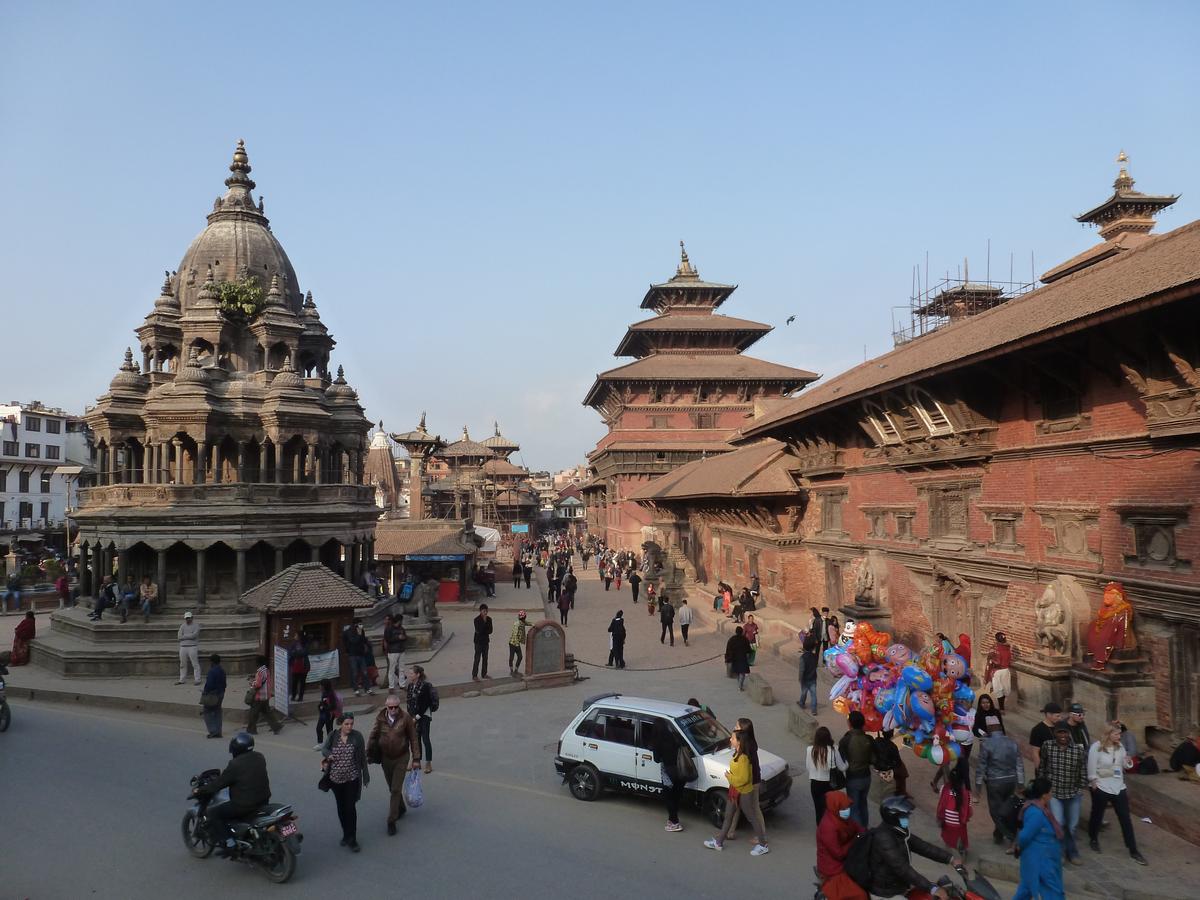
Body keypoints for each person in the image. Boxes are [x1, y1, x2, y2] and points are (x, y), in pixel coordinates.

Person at [859, 795, 960, 899]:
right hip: (886, 892)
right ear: (893, 818)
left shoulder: (899, 831)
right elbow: (903, 869)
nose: (907, 819)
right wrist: (932, 888)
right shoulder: (883, 839)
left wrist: (950, 859)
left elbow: (923, 847)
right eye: (904, 816)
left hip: (899, 883)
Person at [195, 731, 271, 855]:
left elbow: (219, 783)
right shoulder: (259, 757)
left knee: (213, 812)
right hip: (263, 800)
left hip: (244, 805)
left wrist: (201, 790)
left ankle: (229, 843)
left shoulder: (235, 765)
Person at [704, 722, 769, 856]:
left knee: (751, 817)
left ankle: (763, 844)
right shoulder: (737, 754)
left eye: (733, 738)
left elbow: (744, 779)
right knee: (728, 816)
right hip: (734, 791)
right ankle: (719, 842)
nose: (730, 740)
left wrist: (729, 777)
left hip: (743, 792)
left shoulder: (744, 758)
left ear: (739, 742)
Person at [1087, 720, 1147, 865]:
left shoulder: (1120, 747)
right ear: (1108, 734)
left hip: (1118, 785)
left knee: (1125, 818)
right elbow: (1091, 766)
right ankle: (1093, 838)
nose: (1119, 737)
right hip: (1102, 785)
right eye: (1116, 734)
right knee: (1097, 814)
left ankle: (1133, 849)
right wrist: (1093, 781)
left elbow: (1124, 766)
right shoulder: (1096, 748)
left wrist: (1128, 761)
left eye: (1119, 734)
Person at [367, 693, 421, 836]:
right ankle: (401, 808)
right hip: (386, 758)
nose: (393, 710)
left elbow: (413, 738)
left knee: (396, 789)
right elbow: (373, 735)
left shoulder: (406, 718)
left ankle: (391, 820)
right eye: (390, 707)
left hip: (401, 757)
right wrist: (368, 753)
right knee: (392, 788)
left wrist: (416, 758)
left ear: (399, 706)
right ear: (386, 707)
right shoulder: (380, 719)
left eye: (395, 707)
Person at [1038, 722, 1086, 865]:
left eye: (1065, 732)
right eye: (1060, 732)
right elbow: (1043, 766)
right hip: (1055, 793)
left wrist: (1080, 788)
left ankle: (1072, 852)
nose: (1063, 736)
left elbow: (1082, 770)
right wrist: (1044, 787)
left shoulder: (1077, 750)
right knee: (1058, 823)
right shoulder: (1048, 746)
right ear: (1055, 734)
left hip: (1072, 793)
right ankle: (1060, 852)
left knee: (1072, 826)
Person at [321, 712, 369, 852]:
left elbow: (362, 758)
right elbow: (324, 748)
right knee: (341, 808)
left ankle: (352, 839)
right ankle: (345, 834)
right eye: (346, 724)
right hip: (336, 779)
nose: (349, 727)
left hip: (352, 778)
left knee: (350, 808)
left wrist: (365, 775)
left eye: (351, 724)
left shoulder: (357, 737)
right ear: (340, 724)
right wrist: (329, 755)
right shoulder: (333, 736)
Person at [1013, 777, 1066, 900]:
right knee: (1052, 891)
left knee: (1025, 889)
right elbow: (1024, 836)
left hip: (1039, 858)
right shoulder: (1036, 813)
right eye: (1050, 791)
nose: (1051, 794)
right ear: (1044, 795)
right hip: (1042, 861)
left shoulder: (1039, 809)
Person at [976, 721, 1024, 844]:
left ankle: (1011, 836)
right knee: (1006, 808)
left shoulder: (986, 744)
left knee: (996, 812)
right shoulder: (1012, 743)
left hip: (994, 782)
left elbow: (981, 767)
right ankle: (998, 835)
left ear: (989, 729)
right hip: (1011, 780)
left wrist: (978, 788)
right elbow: (1019, 765)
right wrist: (1021, 784)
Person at [816, 790, 867, 900]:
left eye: (847, 807)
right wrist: (856, 839)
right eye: (843, 809)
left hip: (847, 860)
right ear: (836, 808)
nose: (847, 811)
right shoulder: (828, 827)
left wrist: (866, 833)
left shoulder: (842, 818)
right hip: (834, 868)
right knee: (860, 895)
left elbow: (857, 828)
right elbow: (838, 854)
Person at [839, 710, 875, 827]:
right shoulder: (869, 739)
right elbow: (873, 759)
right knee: (863, 804)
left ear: (849, 724)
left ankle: (860, 836)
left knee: (854, 808)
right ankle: (864, 829)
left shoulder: (846, 740)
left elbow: (841, 760)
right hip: (866, 777)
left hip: (853, 778)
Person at [652, 719, 687, 832]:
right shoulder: (674, 735)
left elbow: (656, 760)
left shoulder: (657, 741)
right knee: (676, 796)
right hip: (682, 770)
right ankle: (672, 819)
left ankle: (674, 822)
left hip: (668, 772)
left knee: (669, 797)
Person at [806, 725, 845, 826]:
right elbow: (842, 767)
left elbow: (808, 767)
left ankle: (821, 831)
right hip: (829, 784)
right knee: (829, 810)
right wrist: (848, 763)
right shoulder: (833, 749)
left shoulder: (810, 749)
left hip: (814, 783)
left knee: (818, 810)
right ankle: (830, 830)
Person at [936, 765, 971, 856]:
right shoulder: (966, 793)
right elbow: (969, 811)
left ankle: (948, 850)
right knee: (962, 827)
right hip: (960, 824)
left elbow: (941, 805)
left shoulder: (944, 789)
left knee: (948, 836)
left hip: (947, 823)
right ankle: (962, 849)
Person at [406, 665, 434, 773]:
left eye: (412, 673)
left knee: (425, 739)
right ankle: (416, 760)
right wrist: (410, 716)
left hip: (424, 716)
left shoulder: (425, 686)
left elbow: (425, 704)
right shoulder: (410, 686)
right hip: (413, 717)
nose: (410, 675)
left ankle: (428, 763)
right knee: (415, 740)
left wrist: (416, 717)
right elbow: (409, 702)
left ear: (418, 675)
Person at [246, 654, 283, 735]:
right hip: (266, 695)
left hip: (259, 696)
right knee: (267, 713)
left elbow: (258, 684)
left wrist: (251, 682)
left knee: (253, 713)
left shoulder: (260, 672)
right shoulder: (266, 670)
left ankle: (251, 729)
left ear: (258, 663)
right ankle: (276, 726)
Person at [984, 632, 1014, 710]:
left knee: (998, 690)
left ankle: (1001, 708)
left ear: (996, 639)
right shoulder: (1007, 647)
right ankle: (1002, 707)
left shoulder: (994, 649)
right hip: (1006, 671)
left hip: (997, 672)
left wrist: (987, 673)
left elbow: (990, 660)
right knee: (1004, 689)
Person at [1030, 702, 1064, 771]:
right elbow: (1035, 753)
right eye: (1057, 716)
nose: (1060, 718)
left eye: (1060, 716)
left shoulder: (1060, 727)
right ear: (1048, 715)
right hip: (1046, 768)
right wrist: (1039, 771)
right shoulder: (1037, 730)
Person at [201, 652, 226, 738]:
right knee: (217, 712)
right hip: (221, 693)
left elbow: (210, 685)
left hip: (213, 695)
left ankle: (213, 731)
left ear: (212, 662)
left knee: (207, 712)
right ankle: (218, 731)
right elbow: (224, 684)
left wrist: (205, 692)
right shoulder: (222, 670)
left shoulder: (212, 671)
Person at [344, 623, 373, 697]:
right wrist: (359, 634)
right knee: (355, 673)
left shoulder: (361, 631)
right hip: (353, 655)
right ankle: (356, 689)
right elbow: (354, 641)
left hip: (361, 654)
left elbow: (363, 640)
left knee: (365, 672)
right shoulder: (349, 632)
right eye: (359, 624)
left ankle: (367, 688)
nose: (361, 626)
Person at [314, 678, 342, 749]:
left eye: (320, 685)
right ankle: (320, 743)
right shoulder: (323, 693)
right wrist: (320, 706)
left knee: (329, 730)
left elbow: (333, 705)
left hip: (329, 714)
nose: (319, 686)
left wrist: (324, 707)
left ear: (324, 686)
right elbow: (323, 702)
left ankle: (332, 744)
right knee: (318, 728)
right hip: (323, 714)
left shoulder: (331, 694)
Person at [383, 614, 407, 690]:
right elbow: (388, 639)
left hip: (401, 650)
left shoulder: (401, 628)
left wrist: (404, 637)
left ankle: (402, 684)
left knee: (401, 668)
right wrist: (397, 637)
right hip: (393, 651)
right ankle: (391, 686)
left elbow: (405, 637)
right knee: (392, 669)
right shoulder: (389, 629)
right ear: (399, 621)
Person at [176, 611, 201, 685]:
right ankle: (182, 679)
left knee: (195, 664)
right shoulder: (182, 626)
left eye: (189, 618)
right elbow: (179, 637)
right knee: (182, 664)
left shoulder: (196, 626)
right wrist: (189, 635)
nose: (187, 619)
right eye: (186, 618)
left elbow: (194, 636)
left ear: (192, 618)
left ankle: (197, 679)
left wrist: (184, 636)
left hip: (192, 647)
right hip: (183, 647)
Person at [725, 626, 752, 691]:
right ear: (742, 632)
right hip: (743, 658)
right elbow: (748, 650)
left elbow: (728, 649)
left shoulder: (732, 639)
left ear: (736, 632)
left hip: (735, 658)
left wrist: (727, 658)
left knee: (737, 672)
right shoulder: (745, 639)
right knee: (742, 672)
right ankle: (740, 685)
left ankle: (739, 684)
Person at [798, 635, 820, 714]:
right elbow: (815, 666)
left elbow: (801, 670)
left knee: (804, 692)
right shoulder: (814, 657)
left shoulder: (803, 658)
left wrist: (800, 679)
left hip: (805, 679)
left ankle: (801, 703)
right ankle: (814, 709)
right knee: (813, 694)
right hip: (813, 678)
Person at [471, 603, 493, 681]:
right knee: (477, 658)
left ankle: (484, 674)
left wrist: (485, 623)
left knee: (485, 658)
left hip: (486, 642)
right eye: (484, 611)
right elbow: (479, 630)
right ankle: (474, 675)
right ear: (480, 611)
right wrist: (484, 622)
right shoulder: (476, 620)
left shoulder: (489, 619)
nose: (485, 613)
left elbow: (490, 631)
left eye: (486, 611)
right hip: (478, 642)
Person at [287, 635, 309, 702]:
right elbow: (290, 653)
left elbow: (304, 653)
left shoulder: (305, 644)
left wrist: (296, 653)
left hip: (303, 666)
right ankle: (293, 696)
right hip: (295, 666)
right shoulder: (293, 644)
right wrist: (297, 653)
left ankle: (300, 697)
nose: (295, 637)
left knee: (302, 683)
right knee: (294, 682)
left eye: (296, 635)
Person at [508, 610, 529, 674]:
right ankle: (511, 669)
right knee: (512, 657)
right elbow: (515, 633)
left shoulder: (522, 622)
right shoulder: (517, 624)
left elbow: (528, 623)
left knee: (520, 657)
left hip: (516, 643)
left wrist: (534, 624)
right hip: (513, 643)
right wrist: (516, 643)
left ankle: (516, 669)